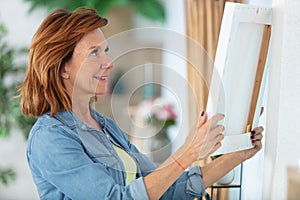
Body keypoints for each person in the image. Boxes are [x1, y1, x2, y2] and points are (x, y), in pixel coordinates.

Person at [19, 7, 264, 200]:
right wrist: (189, 152)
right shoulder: (50, 138)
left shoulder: (106, 127)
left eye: (106, 50)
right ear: (62, 67)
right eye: (94, 53)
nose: (109, 62)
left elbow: (165, 188)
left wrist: (239, 153)